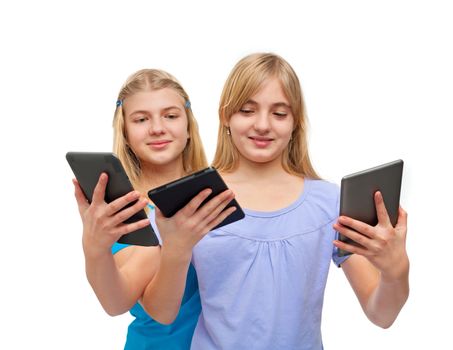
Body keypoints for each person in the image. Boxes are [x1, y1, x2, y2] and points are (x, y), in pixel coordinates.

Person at [143, 53, 410, 349]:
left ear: (295, 122)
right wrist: (175, 251)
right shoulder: (195, 199)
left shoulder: (329, 203)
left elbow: (382, 314)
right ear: (225, 116)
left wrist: (395, 270)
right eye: (247, 110)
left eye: (279, 114)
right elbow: (161, 313)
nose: (262, 125)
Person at [72, 69, 235, 349]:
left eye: (170, 116)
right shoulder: (125, 208)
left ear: (188, 126)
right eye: (141, 119)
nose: (157, 128)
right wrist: (94, 247)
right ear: (124, 131)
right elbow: (116, 302)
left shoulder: (221, 192)